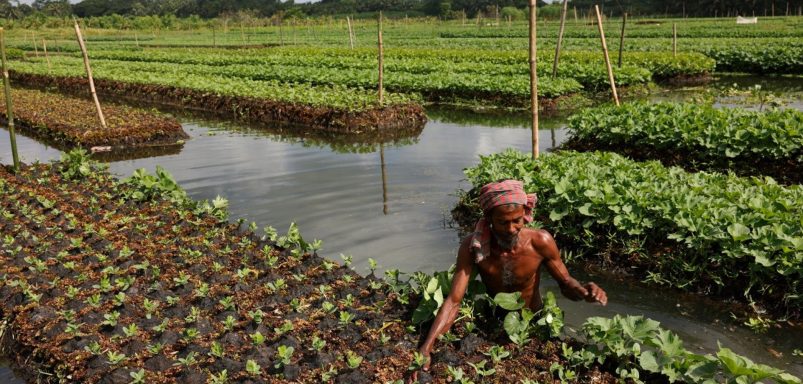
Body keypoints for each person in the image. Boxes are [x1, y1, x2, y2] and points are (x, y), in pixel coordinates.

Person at [411, 180, 607, 380]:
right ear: (489, 219)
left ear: (525, 215)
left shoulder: (540, 242)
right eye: (503, 222)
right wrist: (426, 347)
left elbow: (565, 283)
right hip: (495, 320)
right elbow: (454, 300)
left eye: (517, 220)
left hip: (533, 322)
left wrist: (583, 292)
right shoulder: (473, 247)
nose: (512, 228)